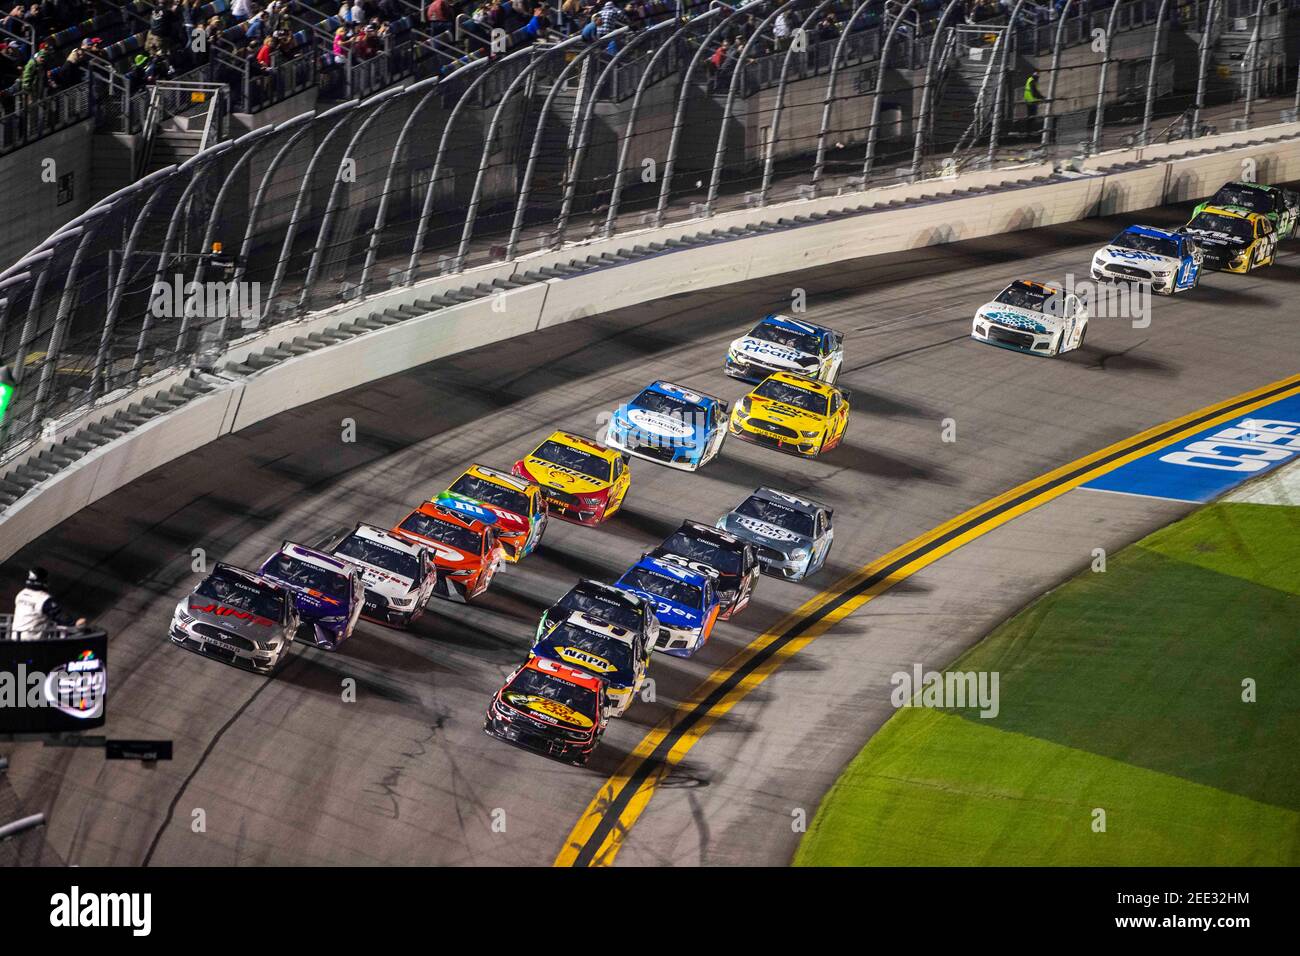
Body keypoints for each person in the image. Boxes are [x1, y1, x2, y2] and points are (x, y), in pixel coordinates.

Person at [11, 568, 85, 640]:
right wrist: (75, 622)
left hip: (15, 638)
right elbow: (58, 615)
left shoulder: (21, 594)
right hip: (33, 641)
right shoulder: (43, 598)